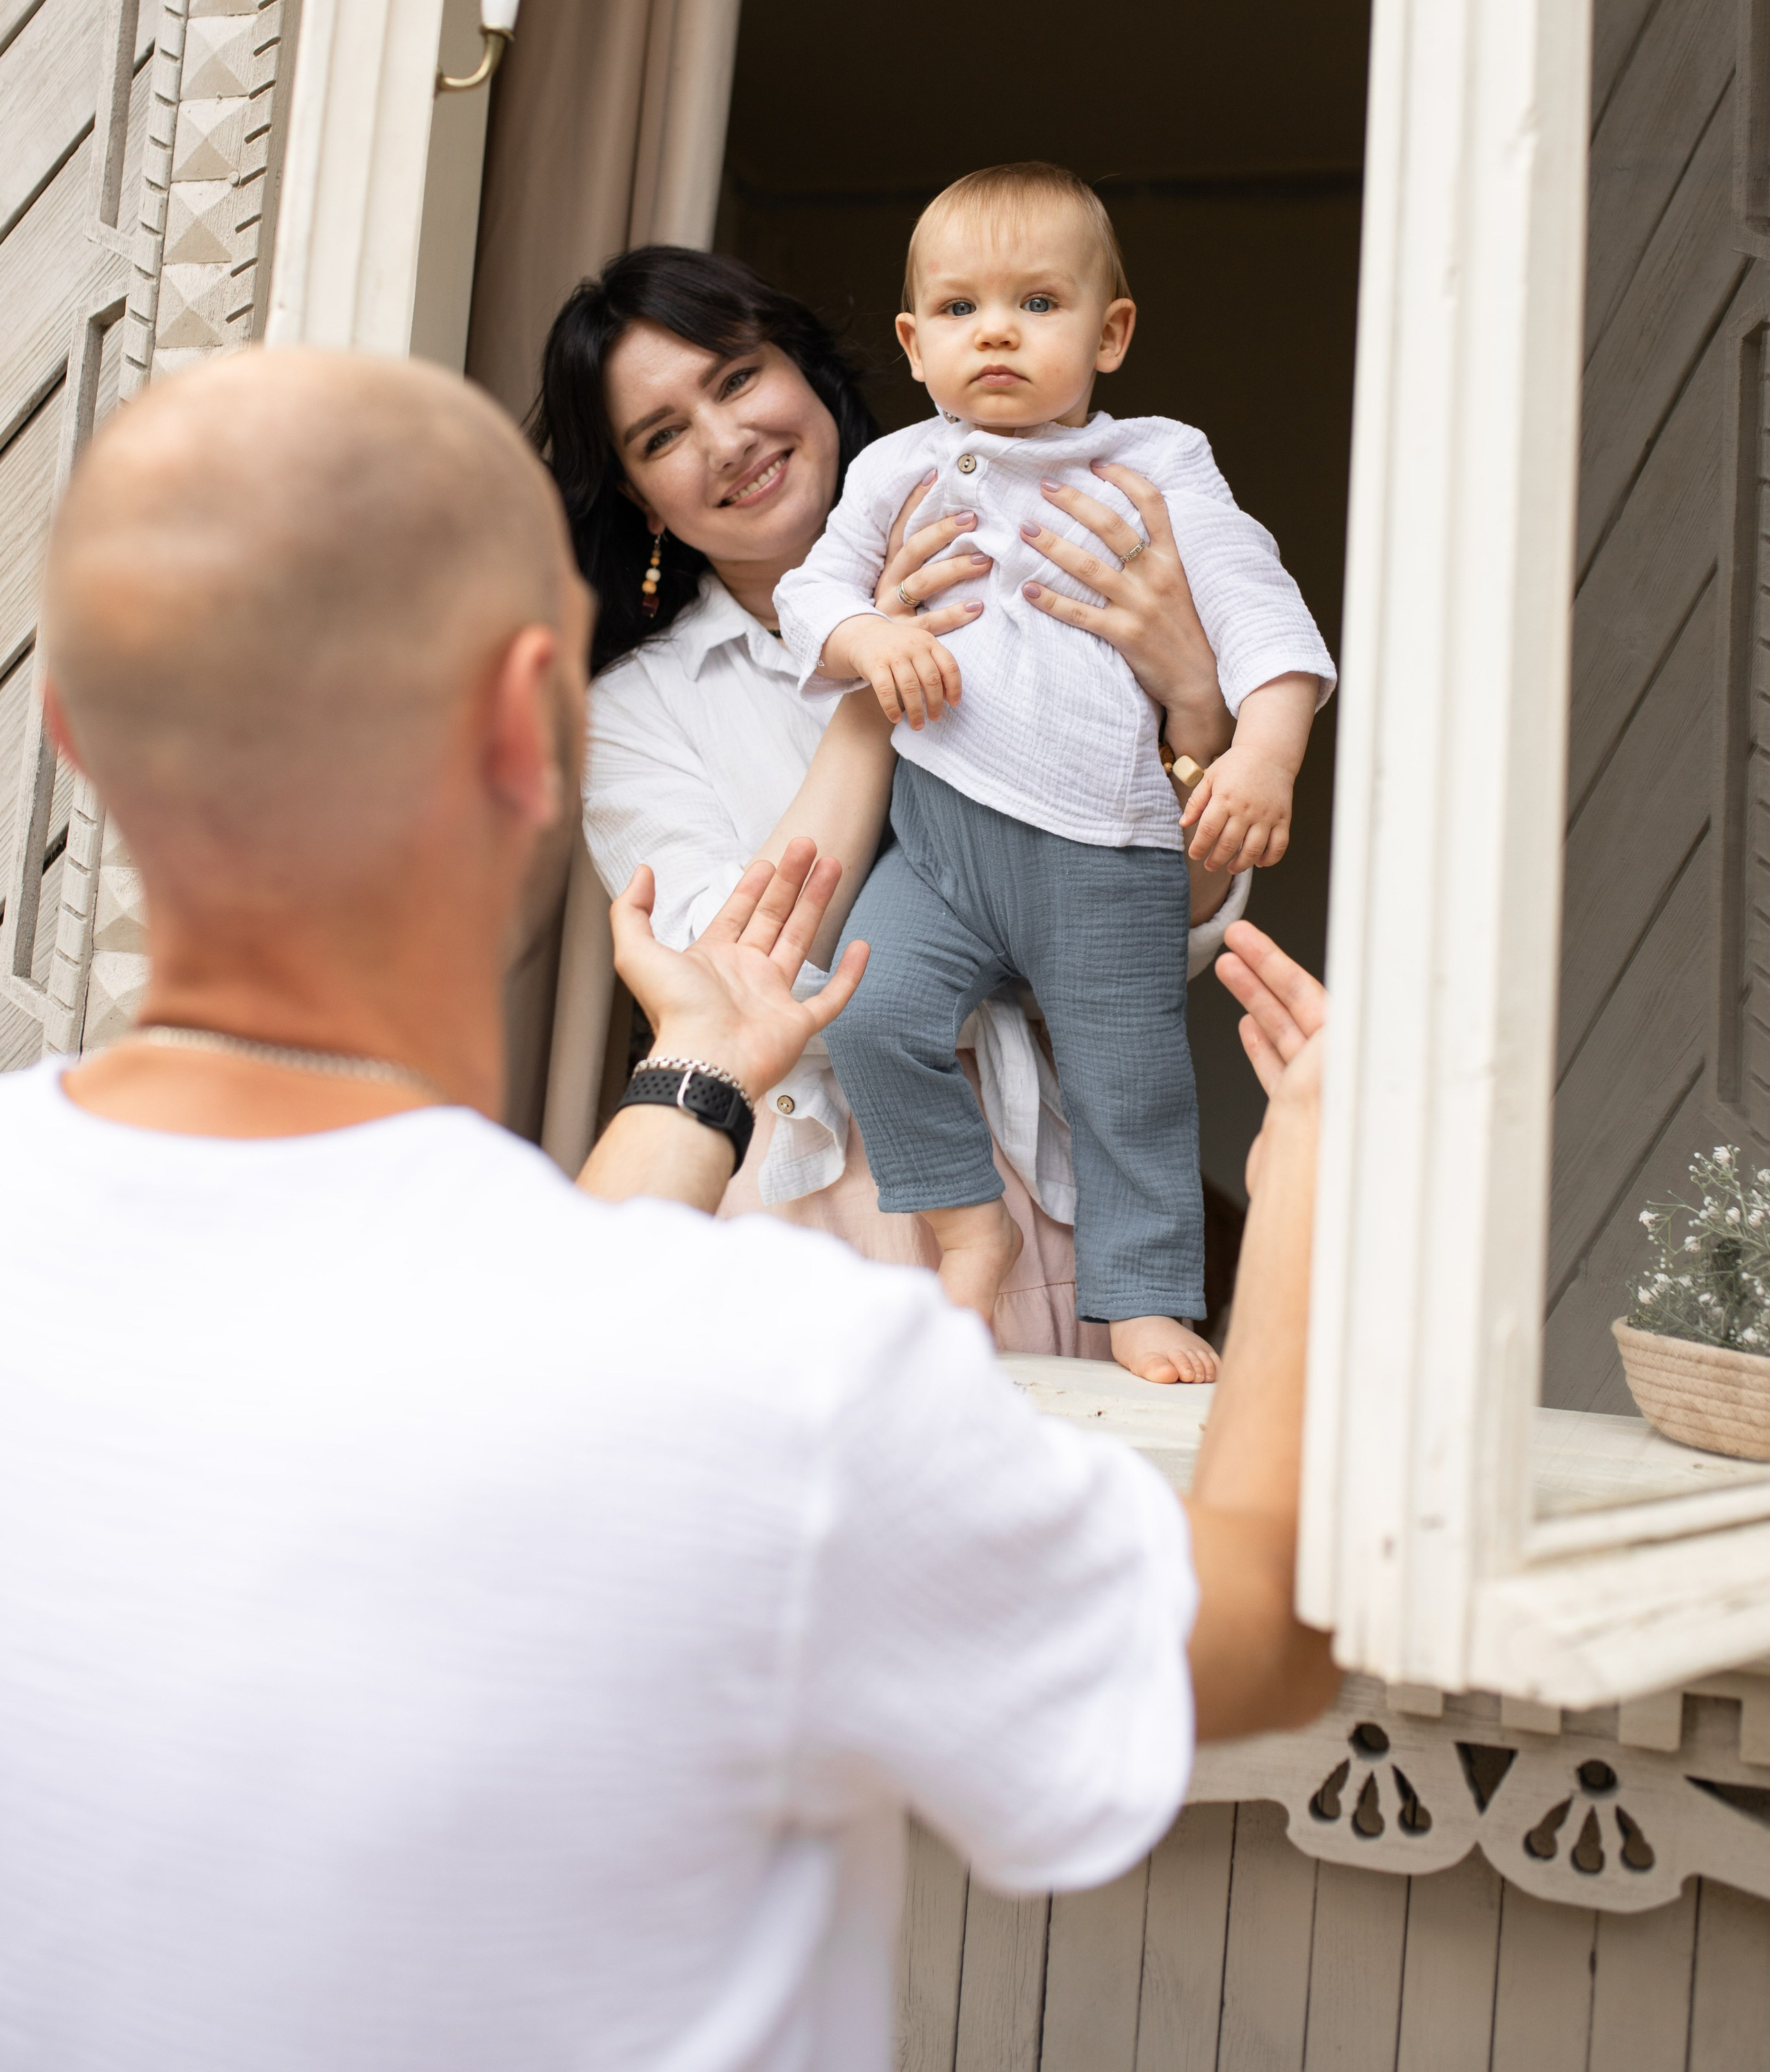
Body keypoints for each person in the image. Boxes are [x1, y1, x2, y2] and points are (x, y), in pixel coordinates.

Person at [0, 346, 1334, 2072]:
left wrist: (695, 1078)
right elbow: (1248, 1642)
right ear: (524, 723)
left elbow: (494, 1334)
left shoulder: (669, 1351)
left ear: (71, 731)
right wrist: (1312, 1181)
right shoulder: (783, 1389)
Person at [537, 244, 1250, 1354]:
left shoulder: (1042, 563)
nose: (728, 442)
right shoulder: (637, 707)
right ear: (643, 502)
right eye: (663, 436)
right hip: (811, 1215)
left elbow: (1160, 934)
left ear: (811, 376)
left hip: (1057, 1191)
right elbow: (744, 976)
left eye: (735, 380)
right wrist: (872, 678)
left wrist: (1197, 707)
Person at [776, 165, 1335, 1382]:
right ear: (917, 345)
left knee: (1128, 1084)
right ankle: (965, 1221)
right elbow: (809, 591)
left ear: (1111, 333)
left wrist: (1263, 751)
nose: (998, 333)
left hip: (1109, 847)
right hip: (936, 840)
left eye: (1038, 304)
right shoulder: (894, 470)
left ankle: (1145, 1302)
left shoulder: (1164, 462)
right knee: (873, 1016)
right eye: (964, 310)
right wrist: (870, 634)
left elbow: (1264, 621)